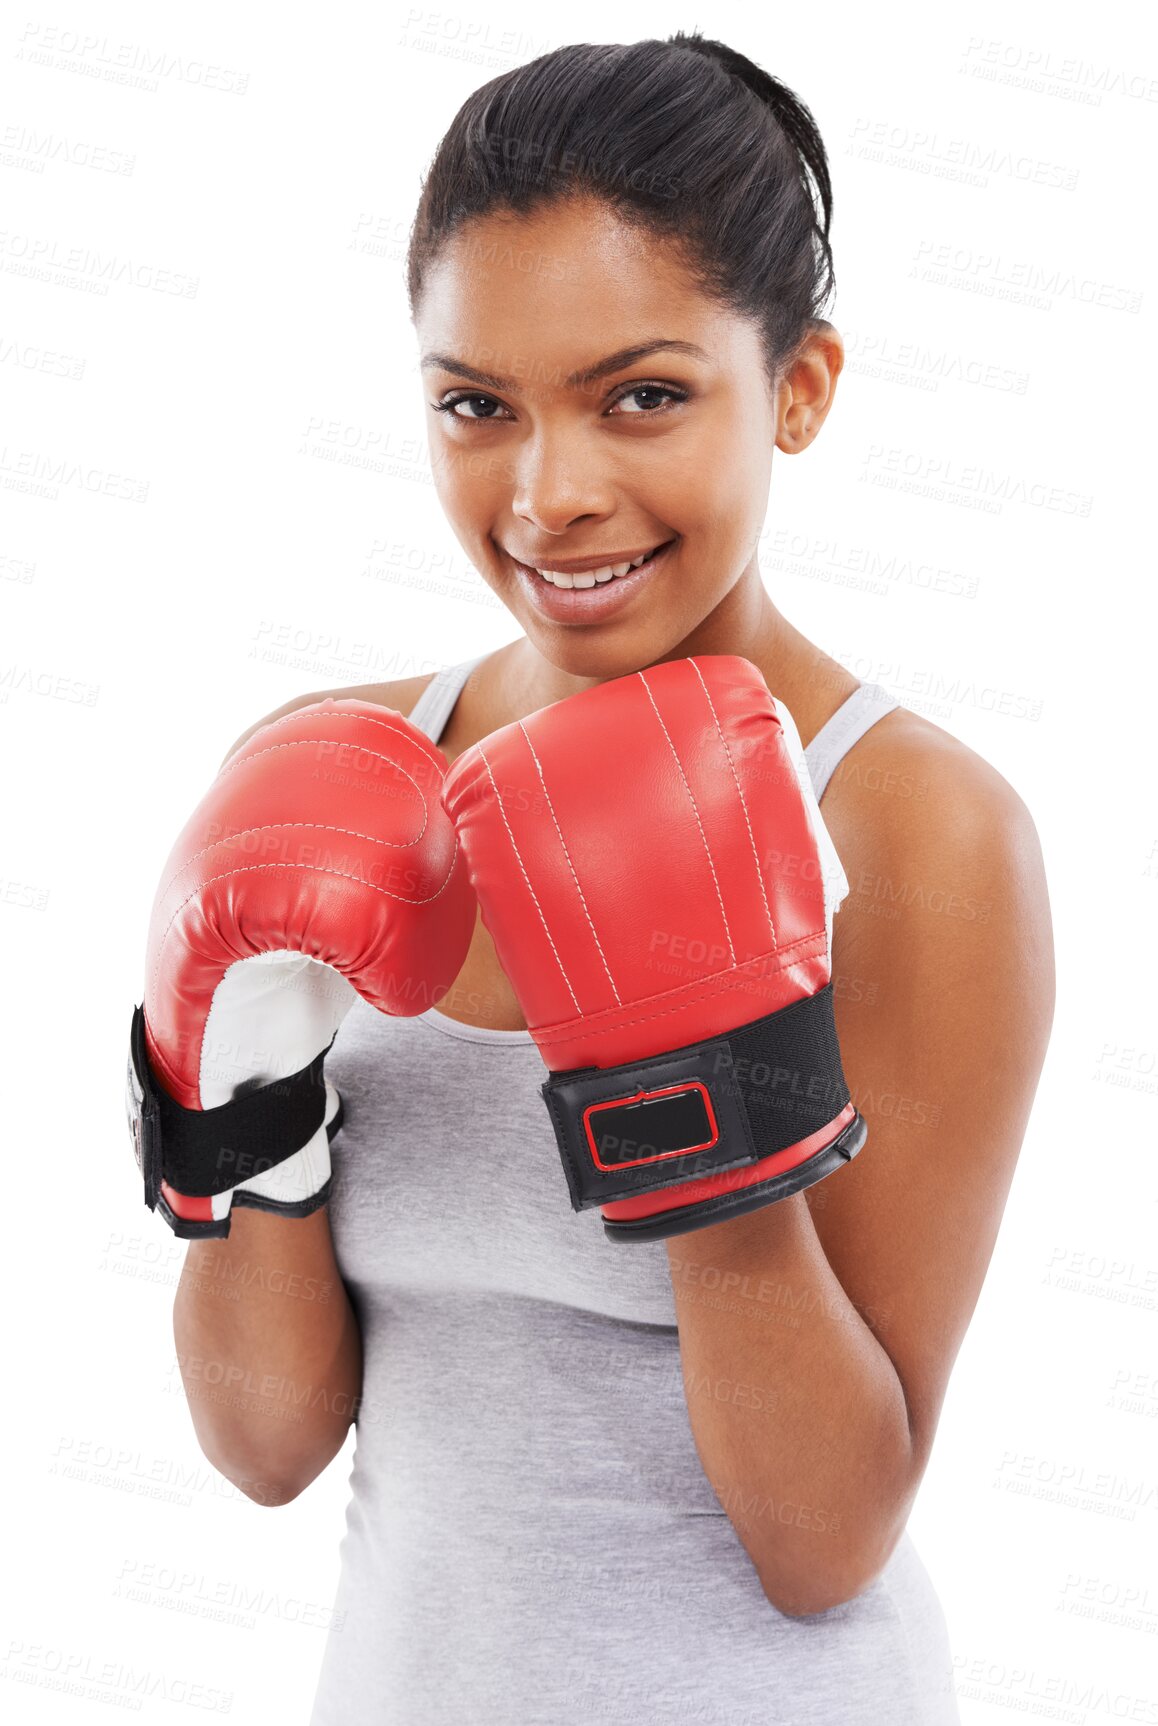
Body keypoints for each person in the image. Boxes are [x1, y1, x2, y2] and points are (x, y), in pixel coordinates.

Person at [167, 32, 1055, 1724]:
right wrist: (239, 1106)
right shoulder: (332, 773)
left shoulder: (917, 830)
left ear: (797, 387)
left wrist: (691, 1070)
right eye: (474, 406)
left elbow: (822, 1536)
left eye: (640, 393)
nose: (549, 494)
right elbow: (264, 1445)